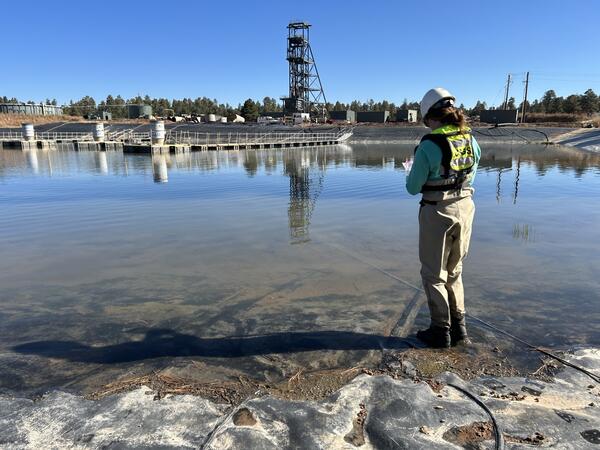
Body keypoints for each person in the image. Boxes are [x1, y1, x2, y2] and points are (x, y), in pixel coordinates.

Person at [405, 88, 481, 348]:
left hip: (437, 211)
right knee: (455, 270)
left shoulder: (429, 144)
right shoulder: (470, 139)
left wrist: (411, 170)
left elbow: (413, 187)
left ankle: (440, 330)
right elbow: (471, 174)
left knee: (433, 273)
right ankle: (460, 328)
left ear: (430, 117)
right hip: (466, 208)